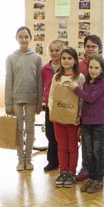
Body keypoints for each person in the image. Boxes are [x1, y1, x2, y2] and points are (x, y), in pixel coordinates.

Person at [65, 55, 104, 193]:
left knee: (98, 152)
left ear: (101, 69)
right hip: (86, 123)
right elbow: (83, 104)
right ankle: (91, 177)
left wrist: (75, 89)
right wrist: (80, 122)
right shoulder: (86, 82)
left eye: (96, 67)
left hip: (98, 123)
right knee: (89, 152)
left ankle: (99, 179)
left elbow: (90, 98)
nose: (93, 70)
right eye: (90, 67)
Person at [76, 34, 104, 181]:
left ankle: (97, 176)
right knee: (86, 145)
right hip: (84, 115)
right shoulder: (79, 66)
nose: (90, 49)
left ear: (99, 48)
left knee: (97, 147)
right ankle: (86, 169)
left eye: (94, 46)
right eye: (88, 46)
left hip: (99, 115)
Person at [5, 26, 43, 171]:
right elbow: (8, 81)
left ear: (31, 38)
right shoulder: (10, 58)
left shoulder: (37, 58)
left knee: (30, 129)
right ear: (16, 38)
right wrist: (8, 103)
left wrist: (40, 102)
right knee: (18, 129)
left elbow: (40, 81)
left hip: (32, 99)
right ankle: (20, 159)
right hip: (16, 99)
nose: (24, 39)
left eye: (26, 36)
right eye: (21, 36)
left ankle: (28, 159)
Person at [48, 48, 85, 188]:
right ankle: (63, 171)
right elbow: (52, 95)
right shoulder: (56, 77)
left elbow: (81, 99)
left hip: (73, 119)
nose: (66, 61)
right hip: (58, 117)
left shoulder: (79, 77)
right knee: (62, 145)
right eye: (64, 58)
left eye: (69, 58)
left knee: (72, 146)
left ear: (75, 60)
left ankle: (71, 172)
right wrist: (52, 111)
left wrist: (79, 116)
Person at [40, 40, 64, 172]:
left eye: (57, 50)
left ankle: (64, 161)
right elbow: (43, 86)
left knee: (61, 135)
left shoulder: (66, 67)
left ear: (62, 50)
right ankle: (52, 161)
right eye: (52, 50)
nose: (54, 53)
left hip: (63, 106)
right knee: (50, 134)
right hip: (50, 106)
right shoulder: (45, 69)